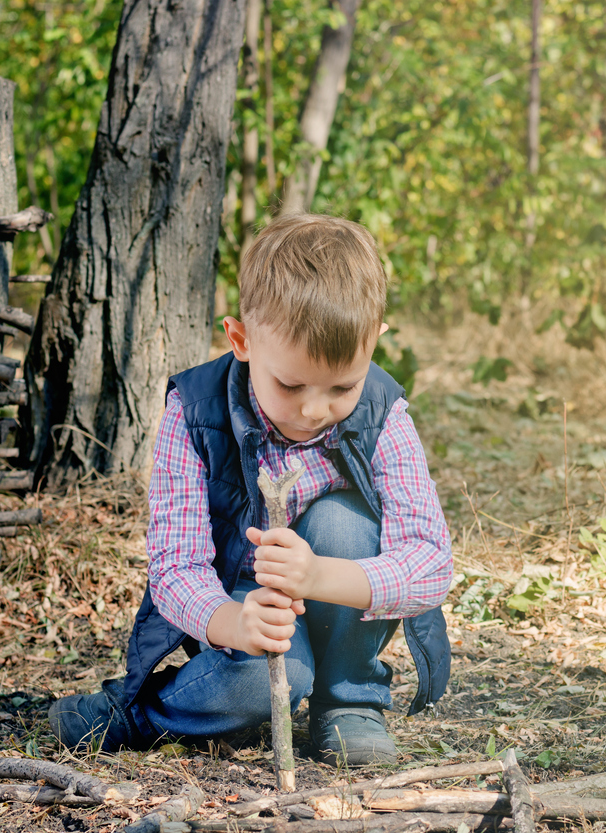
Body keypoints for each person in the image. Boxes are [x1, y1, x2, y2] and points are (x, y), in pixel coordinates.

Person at [48, 213, 453, 765]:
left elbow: (430, 562)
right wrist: (234, 623)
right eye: (290, 384)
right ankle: (143, 713)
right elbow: (175, 568)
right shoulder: (193, 412)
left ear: (375, 342)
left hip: (336, 583)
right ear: (240, 339)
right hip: (238, 596)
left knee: (346, 521)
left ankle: (349, 703)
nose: (315, 410)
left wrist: (317, 576)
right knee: (267, 683)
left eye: (342, 387)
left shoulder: (385, 413)